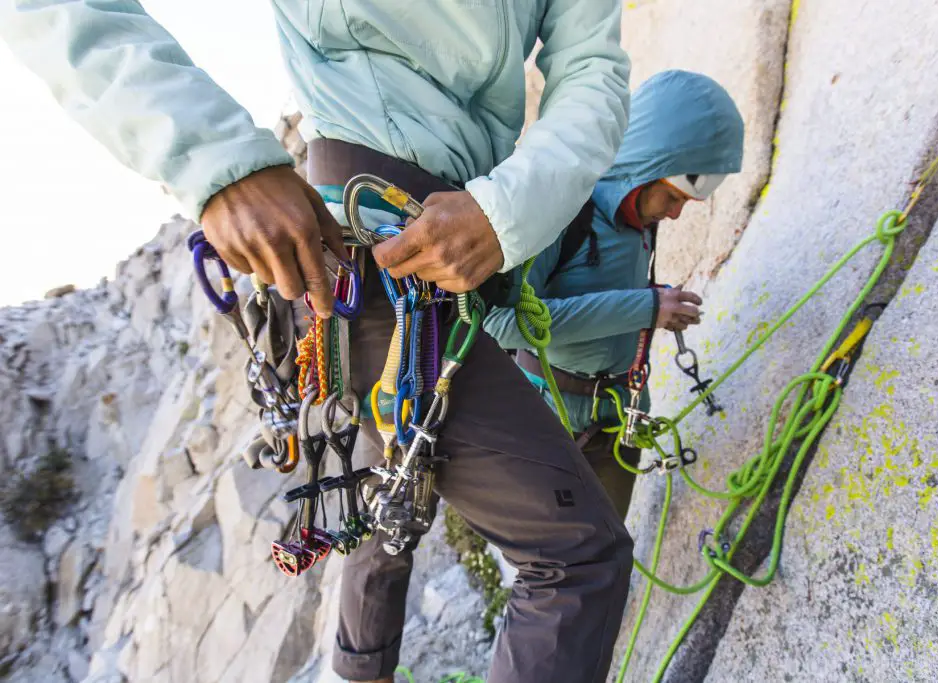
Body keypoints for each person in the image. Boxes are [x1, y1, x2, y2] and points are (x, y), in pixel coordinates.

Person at [1, 3, 636, 683]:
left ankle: (355, 670)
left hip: (437, 264)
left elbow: (594, 71)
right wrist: (213, 157)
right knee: (575, 557)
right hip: (367, 259)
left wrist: (505, 210)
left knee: (390, 502)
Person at [485, 70, 745, 520]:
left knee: (608, 562)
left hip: (619, 418)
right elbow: (504, 324)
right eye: (672, 198)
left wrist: (649, 299)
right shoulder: (563, 209)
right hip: (549, 423)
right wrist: (643, 308)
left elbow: (600, 291)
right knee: (563, 569)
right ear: (647, 170)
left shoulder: (641, 222)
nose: (677, 215)